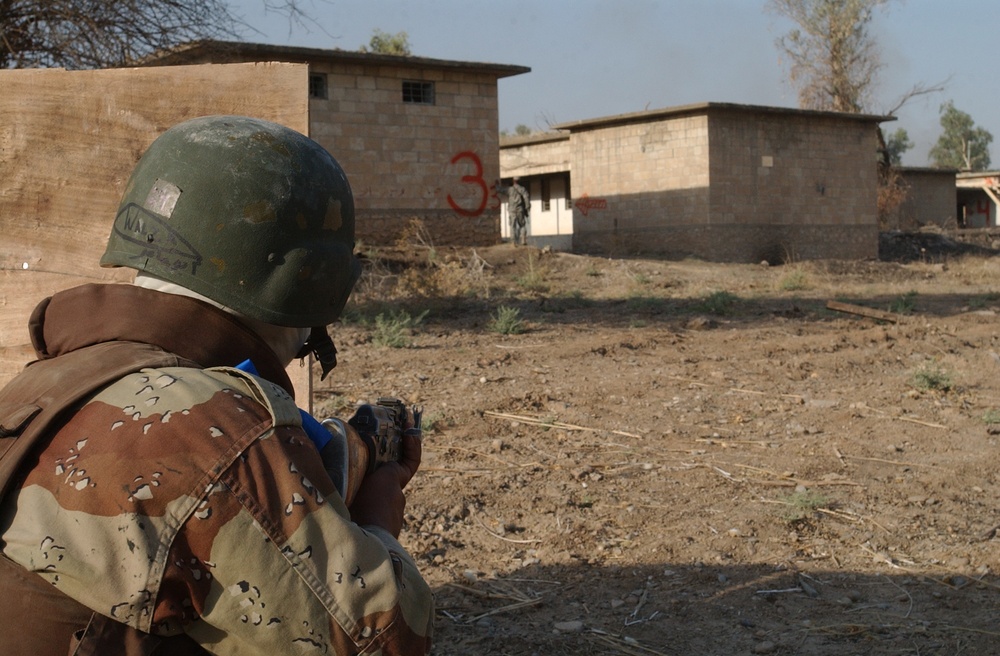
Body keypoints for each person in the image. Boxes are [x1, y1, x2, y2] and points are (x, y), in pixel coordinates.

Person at [0, 116, 433, 655]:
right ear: (305, 285)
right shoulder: (225, 436)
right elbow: (385, 642)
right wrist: (378, 519)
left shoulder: (42, 384)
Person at [507, 177, 530, 246]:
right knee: (522, 225)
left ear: (513, 181)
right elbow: (526, 198)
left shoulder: (509, 189)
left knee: (512, 226)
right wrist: (527, 207)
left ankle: (513, 242)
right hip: (520, 209)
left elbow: (501, 190)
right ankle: (523, 240)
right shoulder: (522, 189)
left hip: (512, 210)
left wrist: (496, 186)